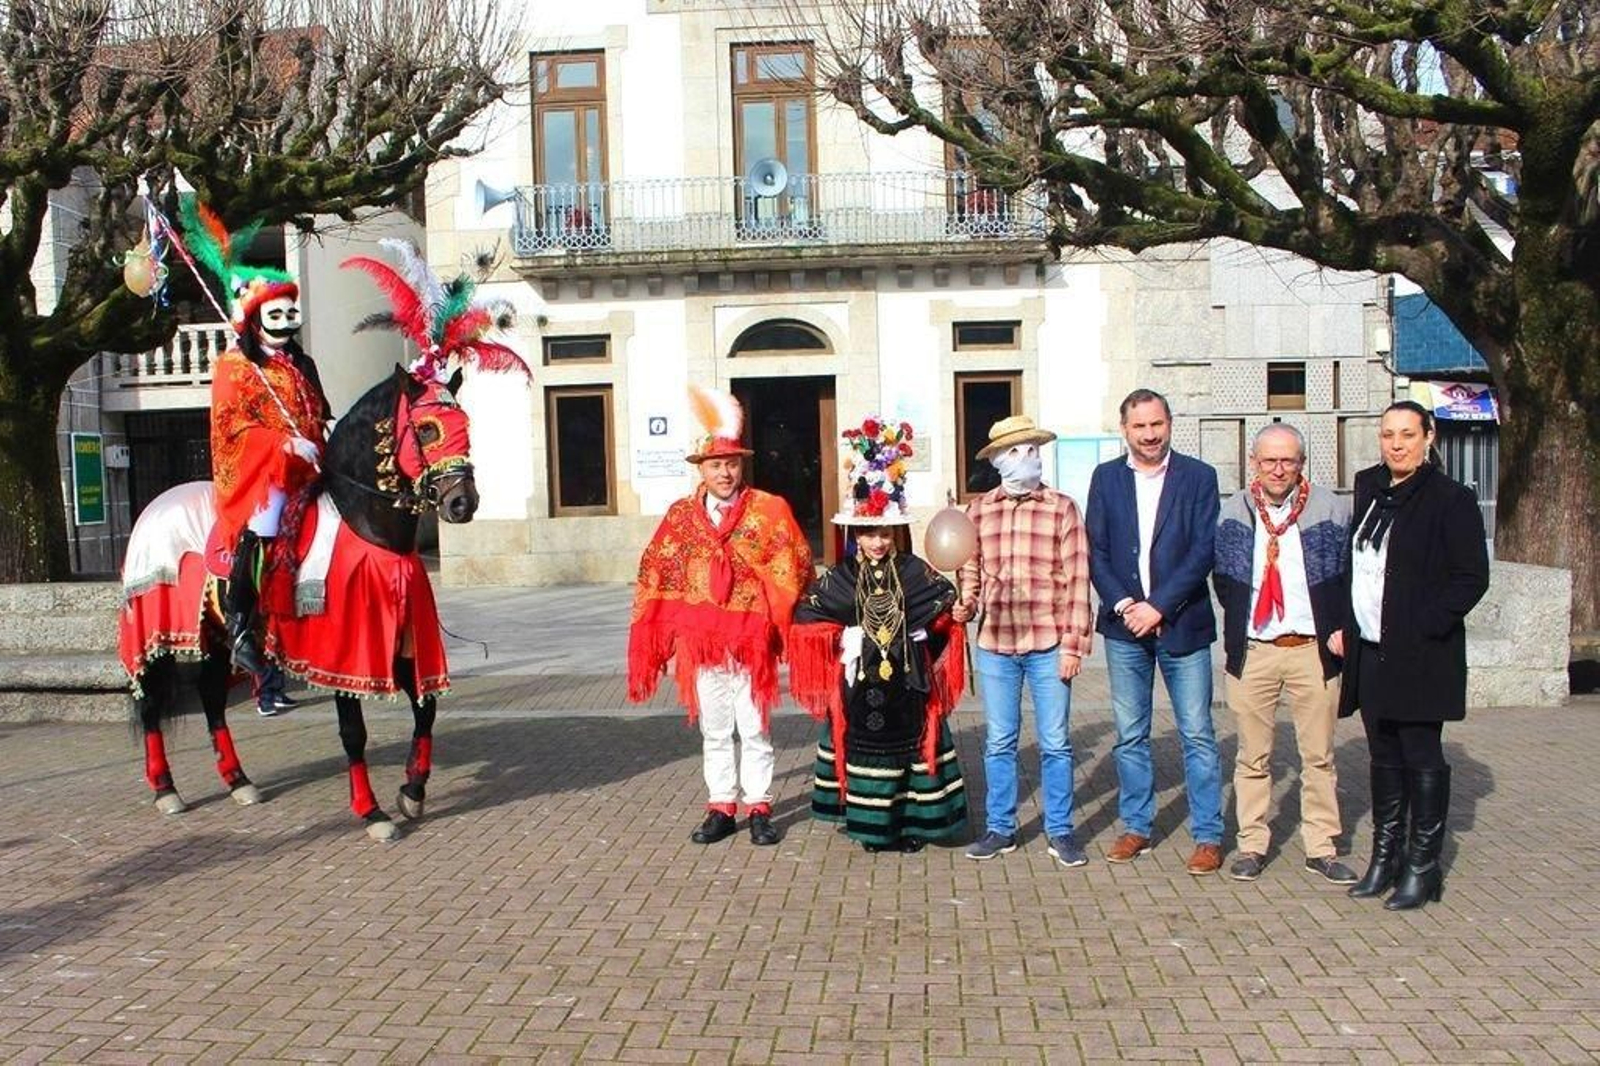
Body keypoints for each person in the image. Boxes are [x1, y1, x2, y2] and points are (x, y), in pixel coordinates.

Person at [627, 386, 813, 846]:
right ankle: (721, 806)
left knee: (754, 727)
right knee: (714, 729)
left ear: (741, 465)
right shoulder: (680, 518)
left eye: (731, 464)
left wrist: (776, 602)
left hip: (750, 639)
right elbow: (655, 569)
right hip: (702, 642)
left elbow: (797, 563)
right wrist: (662, 634)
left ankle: (760, 806)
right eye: (715, 465)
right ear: (702, 470)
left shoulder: (769, 511)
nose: (724, 473)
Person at [789, 417, 968, 853]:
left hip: (909, 686)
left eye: (884, 532)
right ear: (855, 534)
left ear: (896, 533)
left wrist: (950, 618)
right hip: (860, 689)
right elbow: (805, 617)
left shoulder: (914, 571)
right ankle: (872, 830)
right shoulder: (839, 577)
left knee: (909, 757)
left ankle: (910, 827)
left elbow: (942, 609)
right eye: (868, 533)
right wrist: (844, 636)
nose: (877, 542)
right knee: (866, 755)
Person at [1336, 400, 1489, 910]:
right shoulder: (1369, 488)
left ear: (1430, 437)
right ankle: (1386, 857)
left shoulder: (1450, 499)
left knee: (1420, 754)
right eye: (1387, 435)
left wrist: (1423, 624)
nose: (1396, 444)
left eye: (1406, 434)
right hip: (1372, 650)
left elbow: (1471, 577)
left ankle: (1423, 867)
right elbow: (1356, 565)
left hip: (1422, 654)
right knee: (1382, 755)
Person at [184, 201, 330, 716]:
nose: (288, 321)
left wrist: (322, 436)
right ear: (253, 317)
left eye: (292, 311)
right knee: (263, 527)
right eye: (277, 312)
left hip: (309, 470)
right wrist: (282, 444)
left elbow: (316, 408)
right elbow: (230, 425)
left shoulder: (299, 362)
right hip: (261, 475)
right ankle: (244, 626)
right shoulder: (235, 366)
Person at [1085, 389, 1225, 874]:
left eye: (1157, 424)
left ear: (1170, 424)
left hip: (1182, 624)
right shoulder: (1105, 479)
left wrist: (1159, 606)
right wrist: (1127, 605)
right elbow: (1096, 551)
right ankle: (1136, 827)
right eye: (1140, 426)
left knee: (1198, 734)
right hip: (1125, 629)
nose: (1149, 435)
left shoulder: (1199, 477)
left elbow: (1204, 550)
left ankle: (1208, 835)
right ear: (1124, 429)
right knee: (1130, 735)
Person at [1213, 424, 1356, 884]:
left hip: (1311, 648)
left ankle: (1322, 846)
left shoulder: (1331, 508)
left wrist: (1339, 627)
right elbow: (1225, 581)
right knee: (1253, 756)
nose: (1278, 469)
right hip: (1256, 648)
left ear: (1301, 464)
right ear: (1253, 462)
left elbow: (1347, 576)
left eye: (1287, 460)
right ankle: (1252, 844)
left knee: (1318, 755)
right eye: (1269, 460)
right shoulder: (1233, 511)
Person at [951, 414, 1094, 866]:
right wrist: (966, 604)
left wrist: (1075, 644)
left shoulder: (1062, 507)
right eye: (1015, 451)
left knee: (1055, 742)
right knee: (999, 742)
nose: (1026, 458)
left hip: (1049, 642)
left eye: (1033, 449)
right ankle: (1001, 828)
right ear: (996, 461)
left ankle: (1061, 830)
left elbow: (1077, 579)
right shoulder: (978, 511)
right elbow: (970, 568)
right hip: (996, 643)